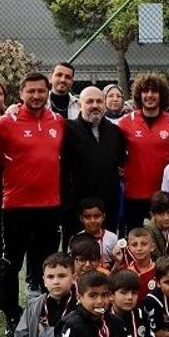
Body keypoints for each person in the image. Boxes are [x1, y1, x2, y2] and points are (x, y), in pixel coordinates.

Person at [0, 72, 65, 337]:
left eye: (40, 91)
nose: (36, 95)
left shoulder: (57, 121)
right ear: (21, 93)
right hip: (16, 207)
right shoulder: (5, 123)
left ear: (47, 92)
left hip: (50, 206)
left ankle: (46, 312)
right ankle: (11, 314)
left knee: (46, 264)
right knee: (11, 263)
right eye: (30, 91)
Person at [119, 73, 169, 229]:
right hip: (133, 193)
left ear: (162, 95)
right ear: (139, 95)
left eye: (154, 91)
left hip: (162, 194)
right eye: (145, 91)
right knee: (136, 237)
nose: (149, 95)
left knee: (162, 238)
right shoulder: (125, 123)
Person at [61, 86, 126, 239]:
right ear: (79, 105)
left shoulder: (115, 132)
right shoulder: (67, 130)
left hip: (107, 208)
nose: (95, 105)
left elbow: (120, 163)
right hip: (77, 209)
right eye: (89, 101)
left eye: (99, 101)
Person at [13, 252, 74, 337]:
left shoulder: (81, 306)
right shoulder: (34, 306)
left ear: (73, 278)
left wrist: (45, 335)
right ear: (44, 281)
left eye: (62, 276)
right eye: (50, 277)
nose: (56, 281)